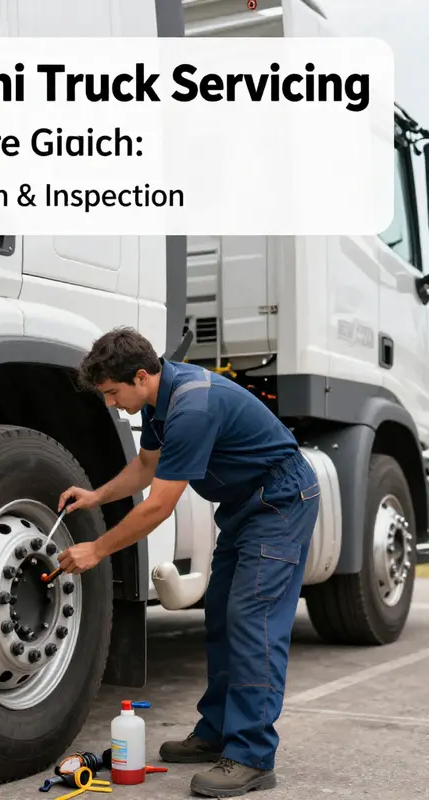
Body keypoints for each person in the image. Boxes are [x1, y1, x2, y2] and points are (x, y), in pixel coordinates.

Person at [56, 327, 320, 798]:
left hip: (281, 502)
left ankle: (252, 756)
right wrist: (95, 496)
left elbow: (157, 506)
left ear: (141, 376)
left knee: (252, 621)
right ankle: (217, 731)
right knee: (220, 615)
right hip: (245, 505)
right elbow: (145, 468)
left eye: (114, 393)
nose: (112, 404)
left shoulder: (192, 409)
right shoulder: (161, 400)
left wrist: (96, 550)